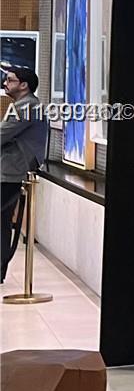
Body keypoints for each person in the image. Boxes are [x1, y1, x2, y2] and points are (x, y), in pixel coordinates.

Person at [2, 66, 50, 281]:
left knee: (2, 221)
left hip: (12, 171)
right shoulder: (23, 105)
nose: (5, 83)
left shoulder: (27, 106)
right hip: (10, 169)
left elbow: (2, 135)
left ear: (24, 85)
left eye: (10, 80)